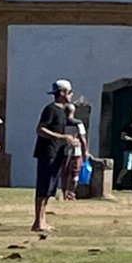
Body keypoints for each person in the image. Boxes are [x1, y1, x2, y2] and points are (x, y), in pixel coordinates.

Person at [33, 80, 80, 238]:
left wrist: (71, 140)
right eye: (70, 91)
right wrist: (62, 136)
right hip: (48, 152)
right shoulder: (50, 109)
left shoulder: (64, 111)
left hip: (57, 152)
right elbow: (40, 129)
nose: (72, 95)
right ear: (63, 93)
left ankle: (42, 220)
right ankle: (38, 222)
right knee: (43, 186)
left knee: (50, 188)